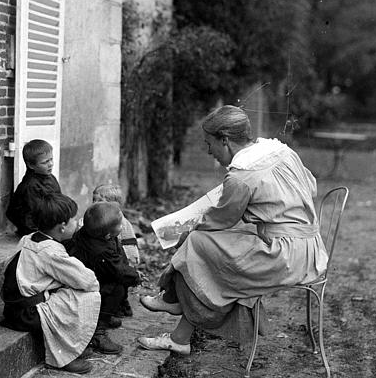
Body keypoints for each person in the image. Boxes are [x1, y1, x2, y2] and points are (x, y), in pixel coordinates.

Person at [137, 105, 328, 356]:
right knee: (208, 252)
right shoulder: (280, 151)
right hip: (310, 247)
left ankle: (174, 301)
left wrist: (182, 230)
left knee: (197, 243)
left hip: (284, 256)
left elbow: (221, 220)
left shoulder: (241, 176)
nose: (209, 152)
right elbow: (310, 186)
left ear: (225, 140)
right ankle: (178, 332)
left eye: (209, 144)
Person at [0, 192, 120, 375]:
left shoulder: (30, 238)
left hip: (14, 308)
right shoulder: (51, 252)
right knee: (86, 295)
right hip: (28, 314)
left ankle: (72, 346)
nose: (78, 223)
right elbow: (88, 280)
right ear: (62, 227)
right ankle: (65, 355)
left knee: (67, 288)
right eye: (74, 220)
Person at [66, 201, 141, 330]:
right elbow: (118, 270)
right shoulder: (101, 251)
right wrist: (135, 277)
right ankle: (99, 328)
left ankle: (111, 312)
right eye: (120, 226)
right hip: (90, 286)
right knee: (117, 289)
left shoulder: (89, 233)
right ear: (107, 235)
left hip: (95, 274)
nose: (122, 227)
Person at [6, 139, 61, 236]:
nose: (51, 164)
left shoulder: (50, 178)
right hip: (32, 229)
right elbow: (27, 216)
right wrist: (36, 235)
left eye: (51, 159)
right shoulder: (30, 186)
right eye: (45, 162)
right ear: (31, 165)